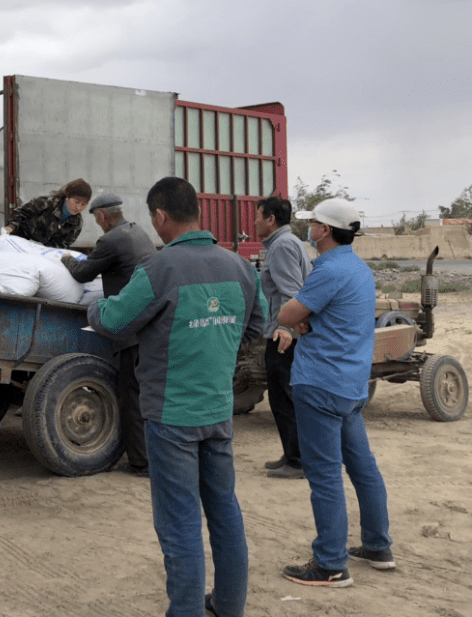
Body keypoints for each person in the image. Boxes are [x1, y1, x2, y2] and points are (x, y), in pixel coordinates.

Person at [96, 177, 266, 617]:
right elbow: (253, 329)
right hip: (218, 411)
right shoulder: (241, 268)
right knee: (224, 510)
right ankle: (228, 606)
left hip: (171, 416)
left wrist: (94, 307)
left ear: (161, 216)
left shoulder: (159, 268)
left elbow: (115, 319)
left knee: (179, 520)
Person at [278, 197, 393, 587]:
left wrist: (302, 321)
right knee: (363, 469)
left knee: (325, 476)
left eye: (313, 223)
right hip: (350, 385)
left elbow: (287, 315)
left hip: (320, 383)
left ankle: (330, 564)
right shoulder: (358, 269)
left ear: (324, 230)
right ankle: (378, 546)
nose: (309, 228)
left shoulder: (328, 270)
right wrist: (308, 321)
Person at [62, 192, 156, 476]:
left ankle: (141, 462)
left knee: (130, 396)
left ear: (103, 216)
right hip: (151, 326)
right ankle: (154, 455)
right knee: (147, 394)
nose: (97, 224)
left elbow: (82, 274)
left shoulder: (111, 240)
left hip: (130, 328)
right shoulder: (138, 232)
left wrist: (66, 259)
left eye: (96, 218)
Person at [254, 196, 312, 480]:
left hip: (284, 337)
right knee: (281, 397)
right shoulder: (287, 243)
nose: (254, 222)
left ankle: (298, 461)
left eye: (258, 216)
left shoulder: (283, 246)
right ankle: (292, 453)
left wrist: (285, 331)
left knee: (284, 398)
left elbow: (292, 292)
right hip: (284, 333)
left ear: (270, 220)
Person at [4, 179, 91, 248]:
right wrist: (12, 227)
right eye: (76, 202)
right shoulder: (46, 203)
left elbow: (62, 245)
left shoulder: (76, 223)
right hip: (18, 241)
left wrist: (42, 249)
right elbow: (20, 213)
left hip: (39, 251)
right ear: (68, 196)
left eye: (83, 204)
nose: (79, 207)